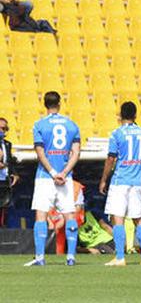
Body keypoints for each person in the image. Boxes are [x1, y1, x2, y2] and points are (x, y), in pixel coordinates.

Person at [26, 92, 82, 267]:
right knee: (69, 215)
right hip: (65, 178)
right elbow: (76, 153)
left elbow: (40, 152)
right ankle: (71, 256)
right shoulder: (72, 125)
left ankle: (40, 257)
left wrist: (52, 172)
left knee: (41, 214)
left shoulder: (39, 125)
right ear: (60, 103)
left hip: (45, 176)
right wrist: (64, 173)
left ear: (45, 104)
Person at [98, 101, 141, 267]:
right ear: (135, 115)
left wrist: (104, 179)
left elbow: (111, 158)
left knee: (118, 218)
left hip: (120, 181)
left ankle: (120, 257)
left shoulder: (117, 134)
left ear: (120, 116)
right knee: (139, 220)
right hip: (136, 182)